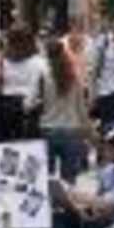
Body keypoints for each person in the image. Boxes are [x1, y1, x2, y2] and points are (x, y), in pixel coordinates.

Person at [42, 31, 95, 179]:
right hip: (71, 130)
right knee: (69, 180)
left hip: (48, 129)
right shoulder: (73, 77)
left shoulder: (43, 77)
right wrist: (89, 130)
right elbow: (81, 108)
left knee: (46, 179)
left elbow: (31, 103)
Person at [0, 24, 48, 145]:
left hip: (5, 109)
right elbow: (46, 87)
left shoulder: (1, 60)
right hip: (30, 110)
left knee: (5, 149)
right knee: (30, 149)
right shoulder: (40, 63)